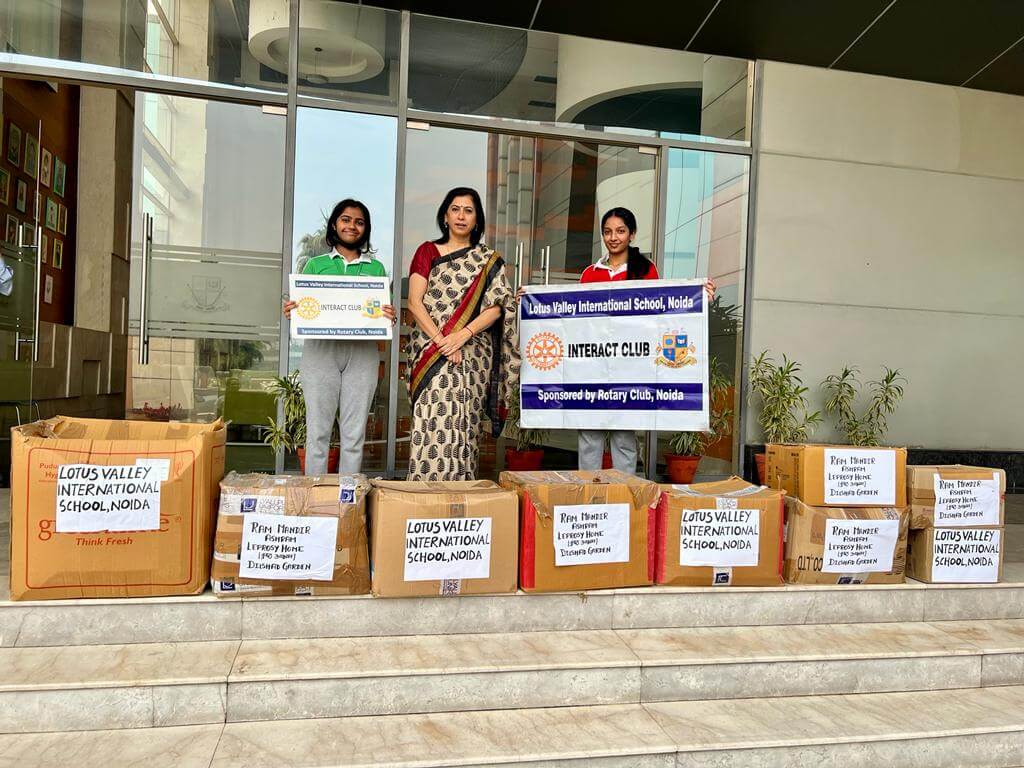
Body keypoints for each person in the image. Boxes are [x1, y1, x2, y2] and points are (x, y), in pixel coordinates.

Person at [524, 206, 713, 475]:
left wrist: (698, 296)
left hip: (630, 369)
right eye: (608, 232)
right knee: (589, 436)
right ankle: (589, 491)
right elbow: (573, 320)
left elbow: (661, 312)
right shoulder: (590, 273)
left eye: (620, 231)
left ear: (632, 234)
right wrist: (529, 302)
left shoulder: (646, 270)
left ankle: (625, 492)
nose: (613, 237)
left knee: (623, 438)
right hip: (591, 368)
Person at [406, 186, 520, 480]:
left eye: (468, 211)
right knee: (431, 423)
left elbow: (498, 308)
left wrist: (463, 334)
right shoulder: (427, 251)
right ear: (445, 216)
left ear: (476, 218)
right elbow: (415, 303)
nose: (461, 216)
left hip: (472, 355)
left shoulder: (488, 260)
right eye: (455, 209)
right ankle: (425, 494)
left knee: (464, 427)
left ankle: (461, 495)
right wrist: (444, 342)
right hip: (432, 352)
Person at [283, 199, 396, 475]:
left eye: (359, 222)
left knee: (354, 434)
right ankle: (315, 493)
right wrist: (294, 311)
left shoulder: (376, 269)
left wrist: (389, 314)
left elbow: (382, 311)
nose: (352, 226)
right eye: (346, 219)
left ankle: (348, 497)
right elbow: (305, 306)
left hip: (363, 353)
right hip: (321, 351)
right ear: (335, 224)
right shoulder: (315, 265)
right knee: (318, 431)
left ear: (366, 229)